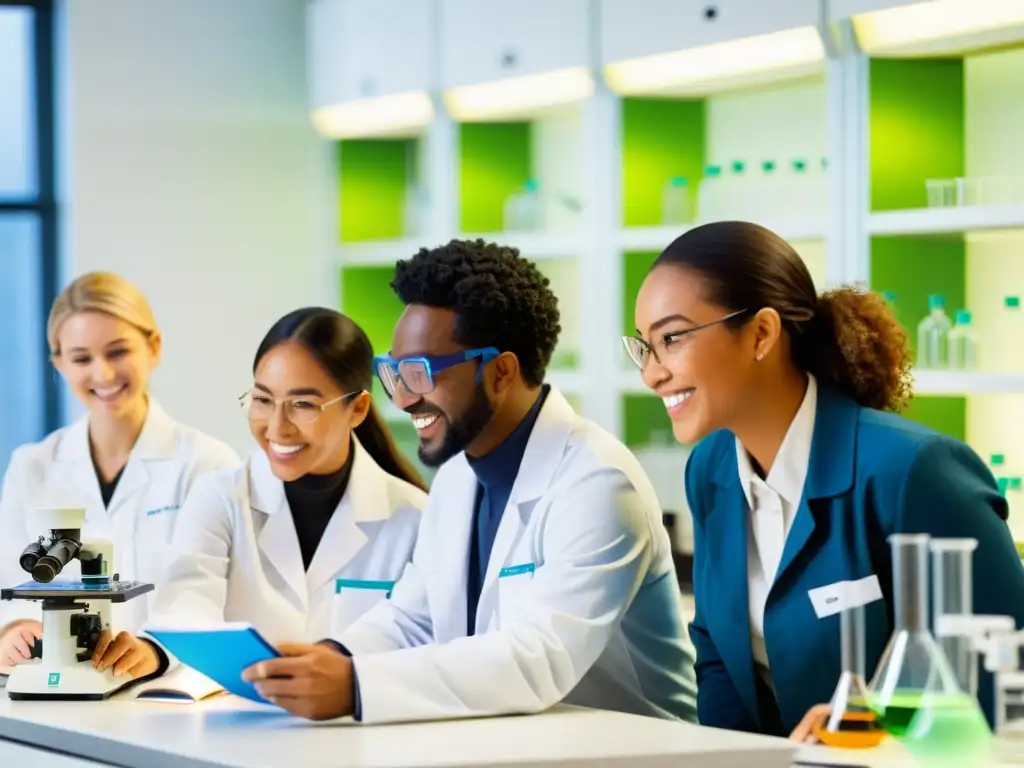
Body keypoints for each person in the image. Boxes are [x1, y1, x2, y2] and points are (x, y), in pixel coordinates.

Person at [242, 239, 699, 724]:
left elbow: (537, 657)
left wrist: (355, 687)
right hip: (516, 746)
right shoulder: (459, 477)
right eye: (394, 373)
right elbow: (412, 618)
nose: (402, 399)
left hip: (634, 752)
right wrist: (331, 657)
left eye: (420, 374)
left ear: (500, 371)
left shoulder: (598, 483)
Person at [624, 220, 1024, 737]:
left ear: (762, 334)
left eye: (672, 338)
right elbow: (719, 657)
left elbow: (1008, 675)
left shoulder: (913, 471)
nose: (651, 373)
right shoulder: (712, 469)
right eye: (644, 347)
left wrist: (878, 728)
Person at [91, 307, 430, 682]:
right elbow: (187, 602)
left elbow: (418, 640)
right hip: (243, 727)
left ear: (359, 408)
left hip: (359, 727)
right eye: (263, 400)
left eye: (303, 404)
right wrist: (153, 652)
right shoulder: (221, 496)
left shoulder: (413, 517)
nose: (277, 427)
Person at [0, 271, 239, 674]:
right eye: (81, 358)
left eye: (117, 352)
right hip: (57, 685)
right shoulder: (32, 465)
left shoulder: (208, 463)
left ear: (154, 347)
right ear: (59, 364)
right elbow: (10, 575)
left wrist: (155, 649)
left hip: (169, 691)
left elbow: (204, 593)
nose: (104, 374)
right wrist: (15, 627)